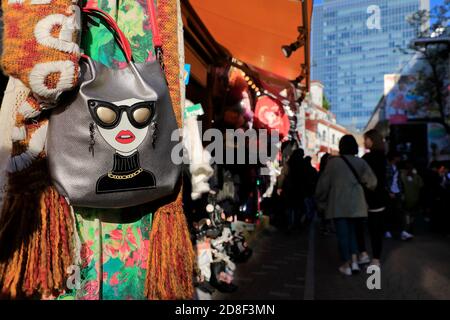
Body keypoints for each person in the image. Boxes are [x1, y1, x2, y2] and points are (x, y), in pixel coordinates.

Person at [315, 135, 377, 276]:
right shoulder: (361, 163)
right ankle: (355, 261)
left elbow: (324, 186)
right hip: (357, 203)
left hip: (339, 204)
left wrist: (320, 199)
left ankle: (346, 264)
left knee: (343, 234)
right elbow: (372, 182)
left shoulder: (333, 163)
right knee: (353, 233)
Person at [355, 129, 389, 268]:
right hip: (380, 199)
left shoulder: (367, 159)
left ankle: (363, 253)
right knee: (376, 230)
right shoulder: (384, 158)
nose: (364, 142)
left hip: (366, 198)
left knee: (359, 227)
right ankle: (376, 259)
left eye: (366, 139)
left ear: (372, 140)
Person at [386, 151, 414, 240]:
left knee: (399, 212)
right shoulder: (387, 167)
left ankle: (401, 232)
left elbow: (398, 181)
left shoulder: (395, 167)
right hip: (391, 192)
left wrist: (400, 192)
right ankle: (389, 231)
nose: (399, 159)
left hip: (397, 192)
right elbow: (385, 181)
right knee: (391, 212)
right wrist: (389, 192)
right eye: (398, 157)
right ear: (394, 157)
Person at [278, 148, 306, 231]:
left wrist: (279, 186)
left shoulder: (289, 163)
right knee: (297, 208)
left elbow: (282, 176)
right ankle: (296, 224)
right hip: (299, 189)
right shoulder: (303, 164)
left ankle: (289, 224)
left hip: (289, 189)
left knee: (289, 207)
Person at [400, 161, 423, 234]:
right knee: (410, 214)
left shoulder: (402, 176)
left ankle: (408, 227)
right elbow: (421, 185)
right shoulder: (416, 176)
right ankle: (409, 227)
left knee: (408, 214)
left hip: (407, 199)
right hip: (412, 199)